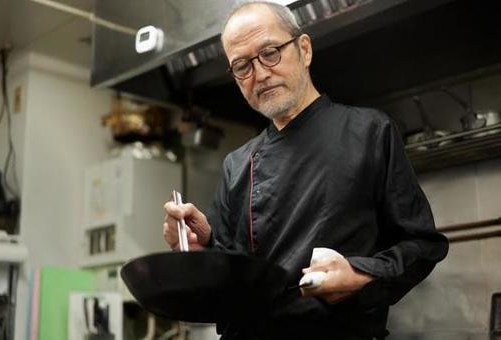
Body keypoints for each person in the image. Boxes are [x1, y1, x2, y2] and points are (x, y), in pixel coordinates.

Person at [163, 2, 449, 339]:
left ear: (304, 49)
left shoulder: (369, 132)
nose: (260, 73)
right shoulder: (237, 164)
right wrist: (204, 246)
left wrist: (361, 275)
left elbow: (421, 244)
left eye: (270, 52)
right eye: (242, 66)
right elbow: (236, 274)